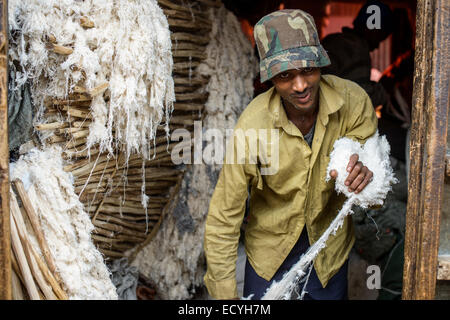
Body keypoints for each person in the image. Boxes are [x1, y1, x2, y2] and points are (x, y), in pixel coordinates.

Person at [203, 9, 378, 300]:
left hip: (328, 254)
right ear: (269, 77)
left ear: (321, 63)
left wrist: (368, 176)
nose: (300, 86)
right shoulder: (252, 125)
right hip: (269, 257)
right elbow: (224, 217)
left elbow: (376, 185)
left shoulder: (354, 102)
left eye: (308, 70)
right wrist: (225, 297)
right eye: (285, 75)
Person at [321, 0, 393, 112]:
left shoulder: (332, 40)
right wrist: (384, 90)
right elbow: (361, 101)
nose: (378, 46)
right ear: (372, 29)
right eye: (381, 36)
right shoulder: (357, 48)